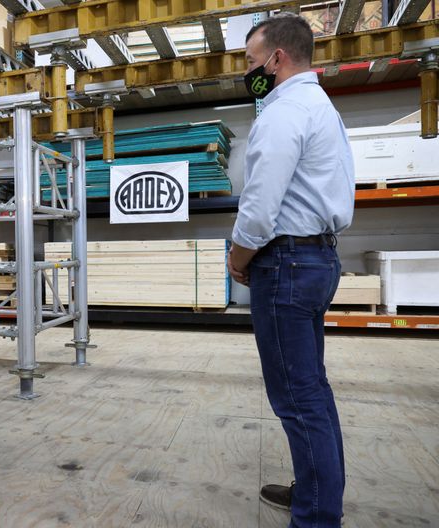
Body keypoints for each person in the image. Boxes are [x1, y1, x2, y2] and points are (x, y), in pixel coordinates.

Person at [227, 13, 355, 528]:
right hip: (316, 258)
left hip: (286, 263)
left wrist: (238, 257)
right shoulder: (319, 105)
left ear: (277, 58)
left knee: (298, 398)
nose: (249, 71)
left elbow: (259, 205)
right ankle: (316, 492)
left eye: (252, 62)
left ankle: (318, 516)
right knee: (310, 388)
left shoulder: (283, 111)